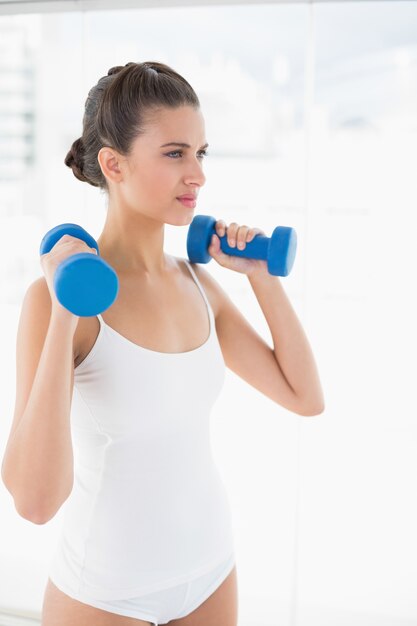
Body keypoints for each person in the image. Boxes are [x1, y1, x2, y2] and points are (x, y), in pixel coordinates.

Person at [1, 61, 325, 626]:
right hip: (102, 593)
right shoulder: (55, 300)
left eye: (201, 153)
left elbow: (305, 397)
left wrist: (259, 276)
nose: (197, 174)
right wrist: (61, 310)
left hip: (210, 570)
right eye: (175, 153)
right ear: (113, 163)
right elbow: (35, 501)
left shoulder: (198, 283)